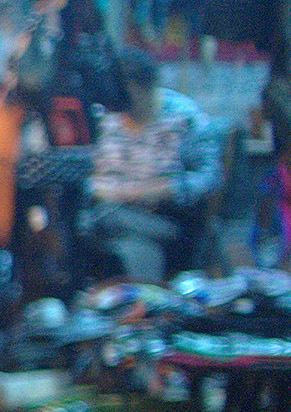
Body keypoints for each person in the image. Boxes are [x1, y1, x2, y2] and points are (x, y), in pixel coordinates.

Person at [78, 47, 220, 283]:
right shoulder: (104, 118)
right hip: (110, 209)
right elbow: (82, 170)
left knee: (102, 222)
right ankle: (143, 298)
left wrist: (158, 189)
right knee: (122, 236)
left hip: (166, 218)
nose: (120, 104)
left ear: (150, 84)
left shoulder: (185, 118)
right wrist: (101, 189)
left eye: (127, 95)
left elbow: (209, 177)